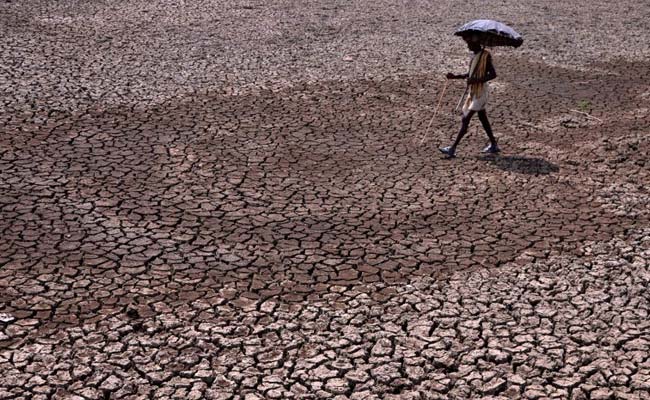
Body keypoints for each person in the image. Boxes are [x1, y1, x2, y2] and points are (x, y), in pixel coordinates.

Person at [440, 37, 499, 158]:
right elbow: (470, 74)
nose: (468, 46)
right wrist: (455, 76)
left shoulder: (485, 56)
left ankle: (452, 148)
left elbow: (493, 74)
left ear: (476, 43)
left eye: (469, 43)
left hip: (480, 92)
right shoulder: (475, 56)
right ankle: (494, 144)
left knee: (465, 119)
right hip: (474, 92)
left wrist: (476, 80)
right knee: (483, 119)